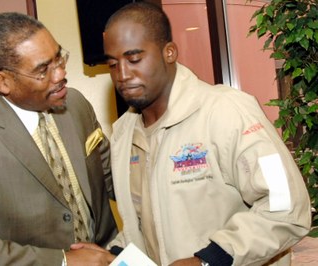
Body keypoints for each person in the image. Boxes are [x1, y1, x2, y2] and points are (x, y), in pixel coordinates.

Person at [102, 2, 311, 266]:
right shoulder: (123, 134)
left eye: (134, 59)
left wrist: (208, 260)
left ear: (169, 52)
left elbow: (287, 206)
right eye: (112, 64)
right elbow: (143, 225)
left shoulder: (228, 110)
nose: (122, 74)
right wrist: (112, 255)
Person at [0, 12, 117, 265]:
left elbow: (112, 176)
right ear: (4, 82)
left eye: (59, 58)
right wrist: (63, 262)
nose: (60, 74)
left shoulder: (76, 104)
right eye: (42, 70)